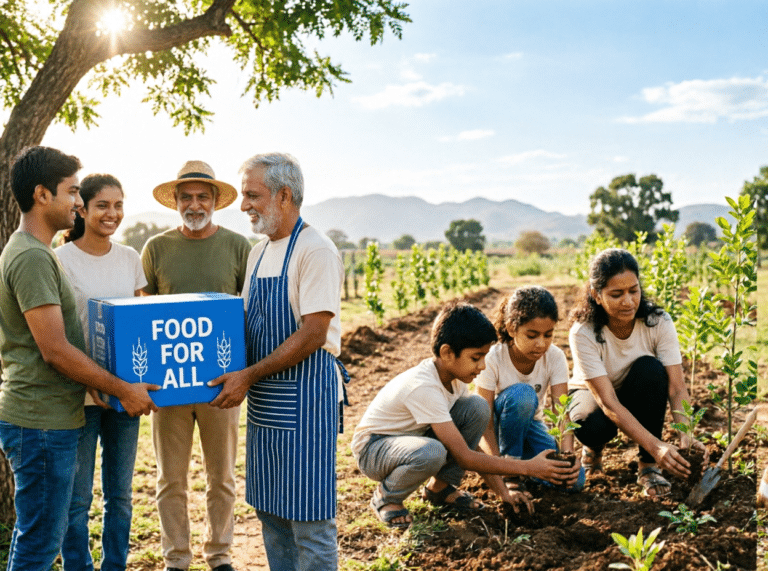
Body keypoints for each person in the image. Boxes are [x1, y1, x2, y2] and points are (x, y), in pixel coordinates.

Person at [0, 146, 157, 571]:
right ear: (42, 195)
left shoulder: (34, 252)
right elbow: (55, 350)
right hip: (41, 421)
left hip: (49, 416)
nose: (77, 201)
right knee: (39, 545)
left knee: (36, 538)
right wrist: (123, 388)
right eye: (72, 192)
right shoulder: (34, 257)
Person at [208, 152, 345, 570]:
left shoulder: (315, 250)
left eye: (252, 195)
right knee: (271, 512)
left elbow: (313, 333)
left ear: (284, 195)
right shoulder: (258, 254)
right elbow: (248, 325)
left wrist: (248, 374)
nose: (243, 205)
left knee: (309, 520)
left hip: (306, 400)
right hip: (266, 401)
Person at [352, 301, 579, 529]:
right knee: (432, 452)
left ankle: (440, 489)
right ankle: (387, 497)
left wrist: (503, 492)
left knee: (477, 407)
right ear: (447, 353)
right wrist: (528, 467)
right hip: (374, 448)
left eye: (484, 357)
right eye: (476, 358)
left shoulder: (454, 379)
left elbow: (470, 446)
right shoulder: (424, 387)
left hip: (410, 440)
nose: (482, 366)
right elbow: (464, 457)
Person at [141, 160, 251, 571]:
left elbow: (249, 311)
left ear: (215, 201)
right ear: (175, 201)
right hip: (169, 384)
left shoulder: (238, 247)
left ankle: (219, 555)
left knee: (221, 478)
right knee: (170, 479)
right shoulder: (156, 248)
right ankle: (176, 559)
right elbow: (144, 315)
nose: (194, 204)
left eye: (202, 196)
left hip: (220, 385)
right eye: (186, 197)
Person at [55, 173, 148, 571]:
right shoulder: (60, 260)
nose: (112, 213)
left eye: (118, 205)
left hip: (125, 395)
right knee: (77, 499)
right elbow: (58, 333)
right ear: (82, 209)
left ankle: (115, 566)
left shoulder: (129, 258)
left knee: (120, 496)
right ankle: (78, 566)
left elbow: (141, 320)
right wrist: (89, 380)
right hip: (79, 395)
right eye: (103, 205)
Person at [566, 248, 701, 497]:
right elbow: (607, 402)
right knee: (592, 425)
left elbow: (676, 387)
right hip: (593, 395)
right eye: (616, 294)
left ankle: (648, 466)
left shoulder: (658, 322)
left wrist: (686, 433)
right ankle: (594, 448)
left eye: (633, 291)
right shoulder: (583, 332)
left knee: (651, 370)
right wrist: (658, 446)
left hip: (636, 389)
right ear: (596, 295)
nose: (628, 301)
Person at [475, 285, 585, 491]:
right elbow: (484, 422)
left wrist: (567, 456)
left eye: (548, 335)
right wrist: (498, 467)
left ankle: (528, 468)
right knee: (523, 395)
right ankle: (512, 471)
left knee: (574, 480)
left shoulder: (555, 357)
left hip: (531, 426)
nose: (541, 344)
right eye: (532, 335)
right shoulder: (493, 358)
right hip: (498, 430)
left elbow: (561, 413)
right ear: (511, 328)